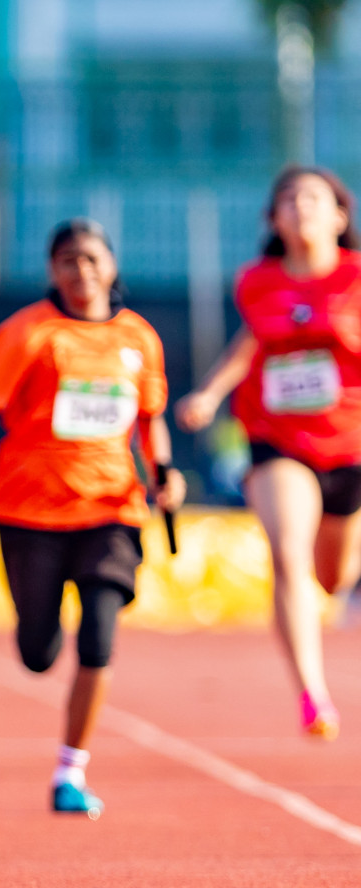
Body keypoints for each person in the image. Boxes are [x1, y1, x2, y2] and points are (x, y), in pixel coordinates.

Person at [0, 219, 186, 818]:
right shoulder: (26, 334)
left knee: (100, 636)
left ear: (112, 265)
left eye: (92, 259)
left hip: (112, 508)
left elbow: (150, 418)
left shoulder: (139, 339)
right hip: (31, 511)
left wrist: (166, 474)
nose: (82, 271)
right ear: (53, 270)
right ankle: (38, 635)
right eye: (68, 261)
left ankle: (70, 772)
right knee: (38, 652)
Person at [177, 167, 361, 741]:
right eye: (288, 200)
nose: (301, 208)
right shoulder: (257, 282)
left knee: (333, 577)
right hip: (278, 438)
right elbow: (250, 340)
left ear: (339, 216)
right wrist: (210, 393)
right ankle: (312, 692)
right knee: (287, 554)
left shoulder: (356, 279)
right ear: (273, 219)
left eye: (313, 199)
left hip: (350, 444)